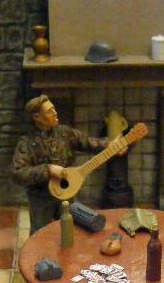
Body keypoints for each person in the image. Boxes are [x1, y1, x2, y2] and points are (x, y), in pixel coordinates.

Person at [12, 94, 121, 234]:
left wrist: (109, 145)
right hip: (41, 198)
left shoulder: (64, 133)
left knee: (69, 229)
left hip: (66, 191)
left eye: (54, 109)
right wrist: (48, 170)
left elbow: (88, 142)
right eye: (49, 111)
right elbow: (18, 172)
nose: (55, 112)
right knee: (40, 232)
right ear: (37, 117)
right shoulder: (27, 143)